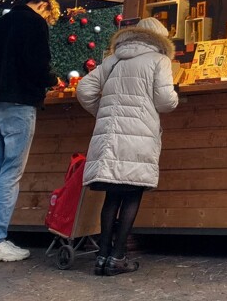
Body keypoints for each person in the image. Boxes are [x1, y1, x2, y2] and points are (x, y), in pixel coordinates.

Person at [76, 17, 179, 277]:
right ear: (160, 40)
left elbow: (84, 89)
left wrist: (104, 112)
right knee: (132, 193)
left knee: (112, 195)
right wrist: (175, 95)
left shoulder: (113, 60)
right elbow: (165, 101)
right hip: (139, 134)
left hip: (110, 136)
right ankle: (118, 257)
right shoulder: (159, 60)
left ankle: (102, 256)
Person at [0, 0, 59, 263]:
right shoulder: (35, 24)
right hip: (20, 105)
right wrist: (52, 81)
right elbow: (38, 65)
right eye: (49, 13)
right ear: (43, 5)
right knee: (10, 175)